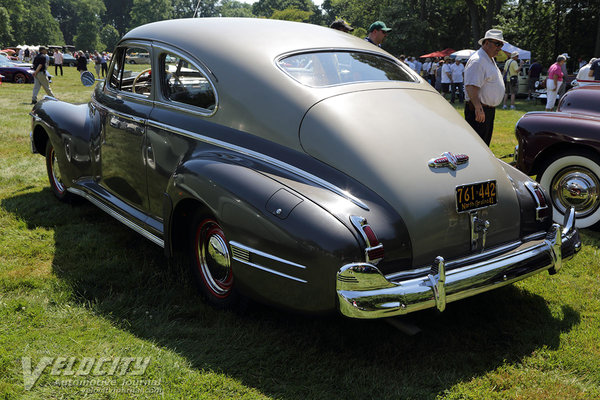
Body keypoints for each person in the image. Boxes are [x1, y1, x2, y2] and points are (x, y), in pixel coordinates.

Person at [464, 29, 505, 146]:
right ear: (486, 43)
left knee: (484, 144)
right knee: (477, 146)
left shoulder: (488, 58)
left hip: (486, 110)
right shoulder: (478, 60)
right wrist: (478, 107)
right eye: (497, 44)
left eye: (501, 44)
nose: (499, 47)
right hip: (479, 110)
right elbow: (471, 86)